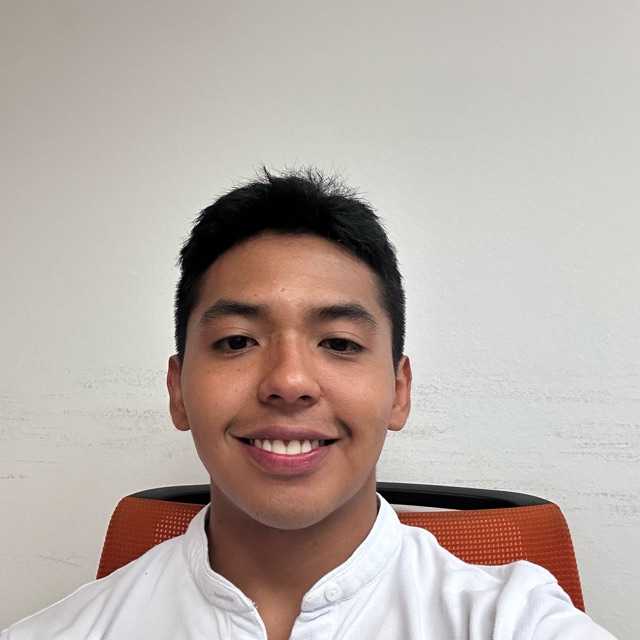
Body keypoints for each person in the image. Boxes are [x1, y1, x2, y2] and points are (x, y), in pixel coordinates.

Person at [2, 169, 617, 639]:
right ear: (178, 390)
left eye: (340, 343)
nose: (290, 381)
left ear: (399, 391)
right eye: (237, 341)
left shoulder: (511, 620)